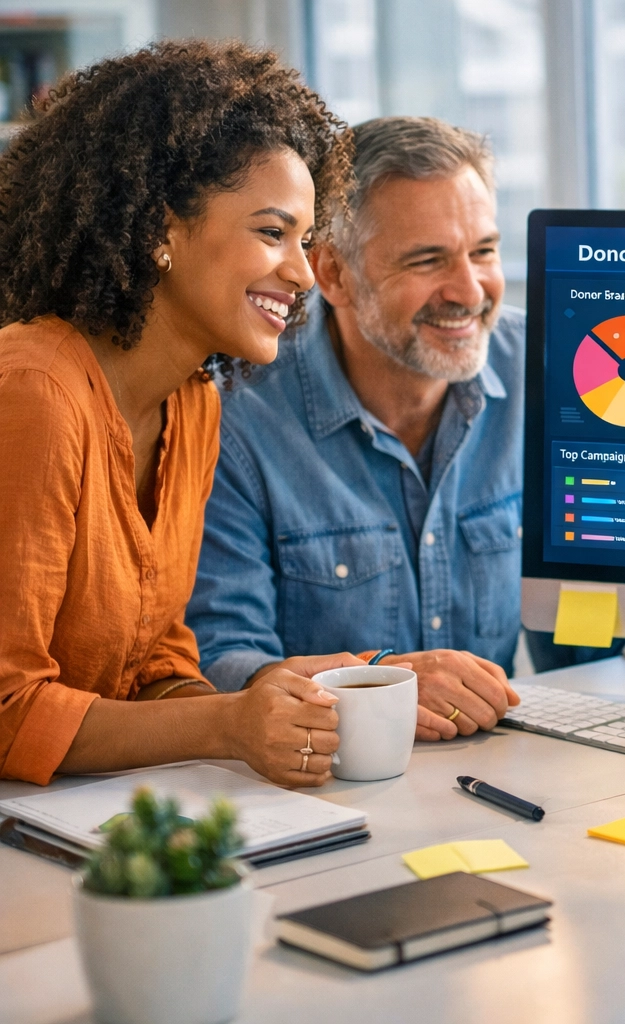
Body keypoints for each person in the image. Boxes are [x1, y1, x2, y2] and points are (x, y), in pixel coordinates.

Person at [0, 42, 356, 787]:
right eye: (271, 232)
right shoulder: (33, 390)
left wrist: (265, 715)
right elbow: (7, 712)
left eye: (306, 239)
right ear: (161, 231)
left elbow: (154, 657)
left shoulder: (193, 402)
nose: (301, 272)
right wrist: (224, 722)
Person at [186, 116, 534, 741]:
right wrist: (379, 683)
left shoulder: (549, 371)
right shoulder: (236, 416)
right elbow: (219, 662)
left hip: (501, 771)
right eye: (428, 261)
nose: (470, 289)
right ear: (335, 275)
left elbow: (595, 608)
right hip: (326, 787)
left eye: (483, 251)